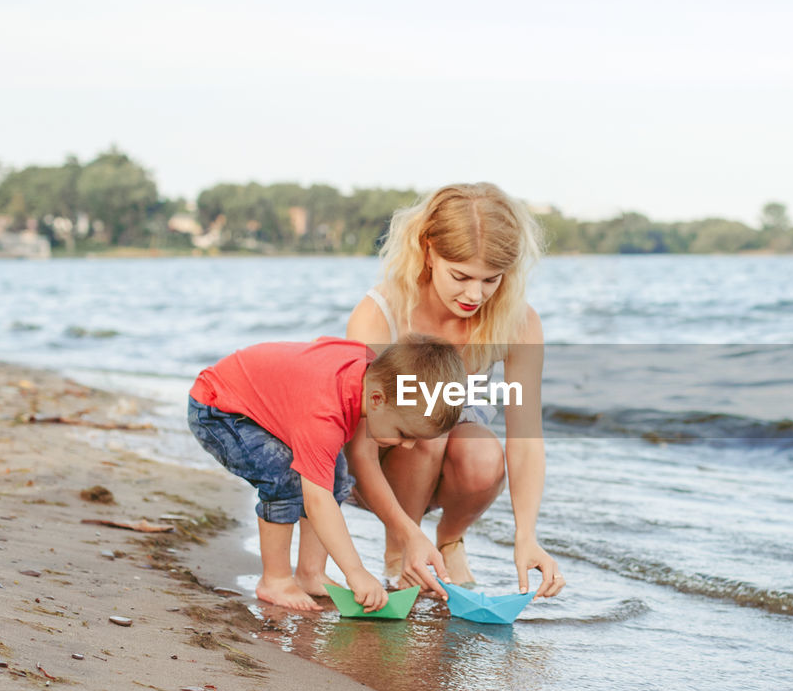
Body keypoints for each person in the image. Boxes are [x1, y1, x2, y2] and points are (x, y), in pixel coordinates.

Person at [296, 183, 567, 600]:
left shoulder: (518, 322)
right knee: (428, 423)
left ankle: (448, 542)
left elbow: (526, 439)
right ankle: (401, 546)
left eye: (490, 280)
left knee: (479, 451)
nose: (475, 295)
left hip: (444, 466)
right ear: (428, 252)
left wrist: (525, 536)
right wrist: (405, 533)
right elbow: (358, 448)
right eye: (460, 276)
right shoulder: (382, 313)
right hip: (371, 463)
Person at [187, 333, 466, 612]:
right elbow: (317, 502)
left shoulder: (371, 371)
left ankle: (310, 573)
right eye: (404, 434)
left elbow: (322, 345)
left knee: (336, 475)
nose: (408, 446)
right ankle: (276, 579)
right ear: (378, 399)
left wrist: (411, 534)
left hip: (261, 403)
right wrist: (355, 571)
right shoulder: (324, 412)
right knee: (283, 476)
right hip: (219, 408)